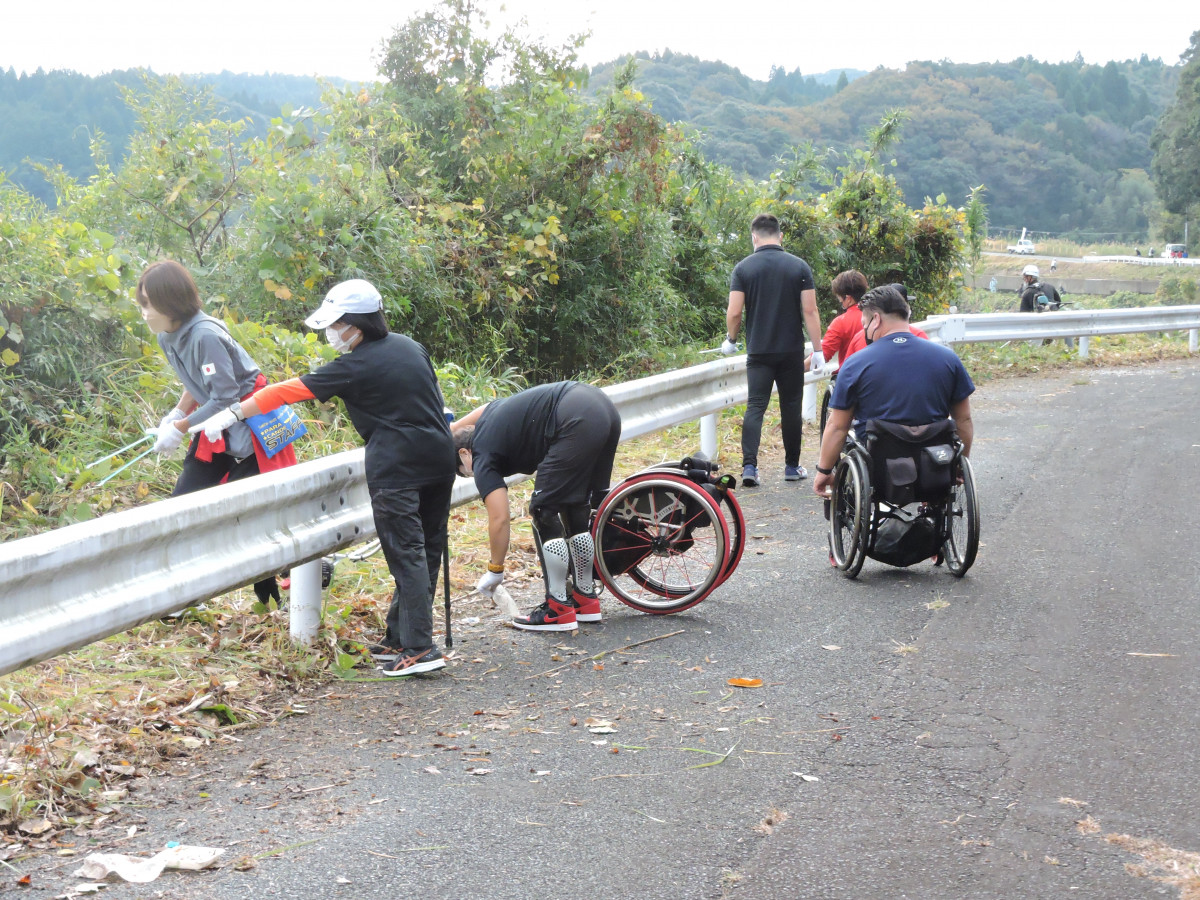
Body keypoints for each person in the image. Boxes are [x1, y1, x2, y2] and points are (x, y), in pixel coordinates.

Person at [190, 280, 456, 676]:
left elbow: (283, 393)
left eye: (336, 325)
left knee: (406, 553)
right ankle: (400, 636)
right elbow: (434, 396)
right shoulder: (409, 346)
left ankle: (419, 648)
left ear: (357, 325)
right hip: (440, 456)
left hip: (397, 466)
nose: (332, 333)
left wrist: (232, 414)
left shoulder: (354, 366)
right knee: (427, 549)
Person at [137, 260, 296, 609]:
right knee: (184, 501)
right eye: (142, 303)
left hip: (252, 424)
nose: (144, 312)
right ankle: (179, 593)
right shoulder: (168, 337)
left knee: (251, 511)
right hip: (214, 426)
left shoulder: (205, 335)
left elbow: (226, 396)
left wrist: (179, 430)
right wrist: (179, 412)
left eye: (149, 303)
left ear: (170, 302)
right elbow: (197, 384)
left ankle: (288, 586)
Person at [451, 381, 622, 632]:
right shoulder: (489, 419)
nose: (470, 475)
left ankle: (558, 609)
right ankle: (585, 600)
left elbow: (499, 518)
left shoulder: (481, 454)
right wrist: (452, 428)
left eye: (463, 472)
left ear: (465, 453)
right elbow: (483, 408)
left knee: (544, 509)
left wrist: (495, 570)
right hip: (602, 407)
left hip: (574, 416)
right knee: (576, 506)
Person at [812, 285, 974, 499]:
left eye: (865, 325)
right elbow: (963, 420)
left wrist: (823, 471)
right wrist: (958, 465)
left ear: (876, 320)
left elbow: (838, 426)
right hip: (936, 460)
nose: (866, 332)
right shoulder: (948, 359)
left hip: (879, 464)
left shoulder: (856, 364)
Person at [721, 213, 825, 486]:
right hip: (791, 351)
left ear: (754, 237)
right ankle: (792, 467)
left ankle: (749, 468)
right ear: (780, 236)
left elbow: (734, 313)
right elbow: (810, 310)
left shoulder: (743, 269)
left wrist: (731, 341)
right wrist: (818, 350)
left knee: (756, 406)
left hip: (759, 351)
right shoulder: (799, 266)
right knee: (791, 407)